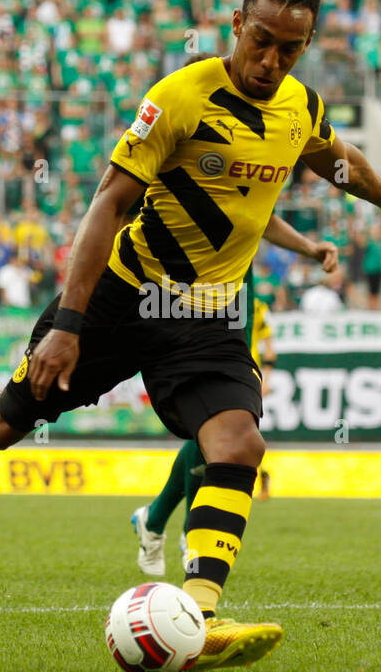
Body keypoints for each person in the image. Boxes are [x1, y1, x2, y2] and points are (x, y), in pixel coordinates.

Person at [0, 0, 381, 670]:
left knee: (239, 442)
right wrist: (68, 324)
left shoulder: (300, 108)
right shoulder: (181, 97)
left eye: (290, 49)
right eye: (261, 42)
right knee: (1, 427)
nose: (272, 62)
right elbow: (107, 205)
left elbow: (332, 160)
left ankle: (201, 616)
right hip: (123, 300)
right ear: (237, 22)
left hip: (209, 316)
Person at [131, 230, 335, 578]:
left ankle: (157, 519)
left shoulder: (255, 302)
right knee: (208, 442)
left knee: (215, 447)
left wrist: (265, 378)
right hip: (209, 353)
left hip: (241, 373)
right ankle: (182, 531)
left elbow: (268, 345)